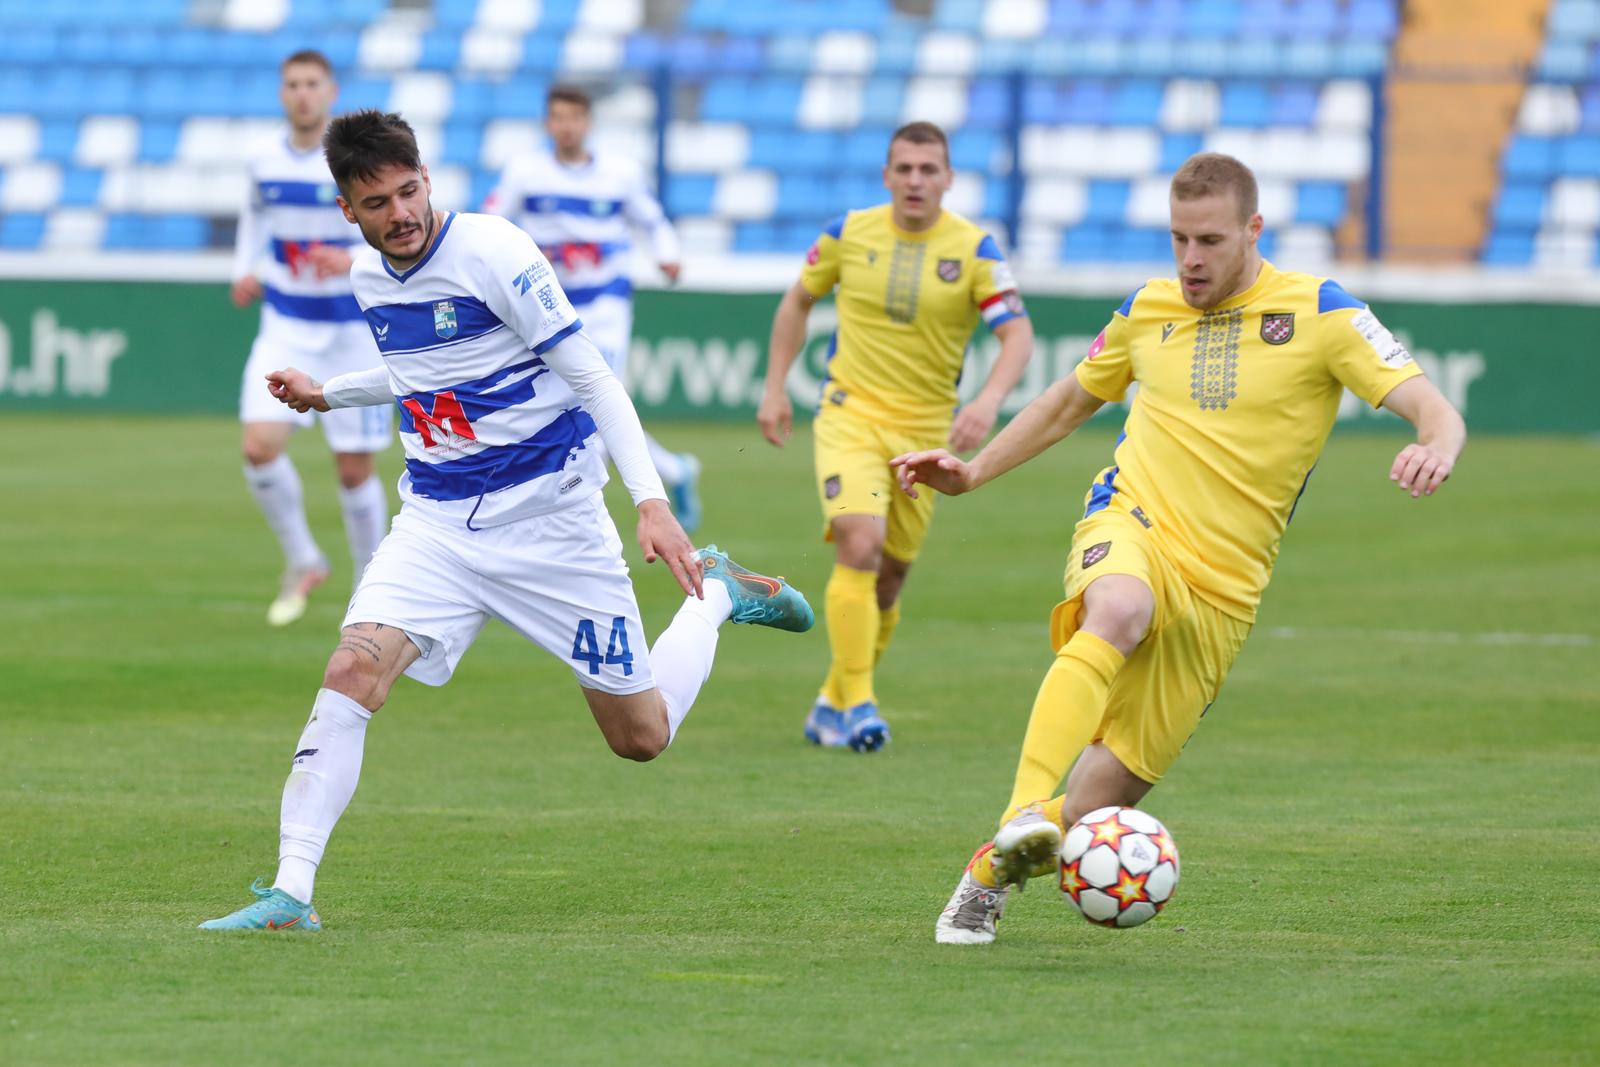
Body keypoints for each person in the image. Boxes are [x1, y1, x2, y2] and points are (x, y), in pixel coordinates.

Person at [199, 110, 814, 932]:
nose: (401, 212)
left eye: (410, 189)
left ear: (427, 178)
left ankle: (718, 597)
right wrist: (328, 392)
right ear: (348, 209)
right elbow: (422, 373)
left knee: (641, 737)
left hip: (555, 522)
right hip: (437, 523)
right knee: (351, 671)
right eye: (377, 201)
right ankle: (291, 892)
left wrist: (651, 501)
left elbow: (595, 380)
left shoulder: (496, 252)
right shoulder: (370, 278)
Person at [891, 153, 1468, 944]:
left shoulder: (1322, 312)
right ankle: (1021, 809)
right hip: (1133, 519)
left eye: (1209, 240)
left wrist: (1437, 442)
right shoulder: (1147, 308)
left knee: (1098, 803)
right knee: (1119, 605)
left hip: (1224, 591)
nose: (1190, 259)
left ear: (1252, 230)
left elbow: (1433, 406)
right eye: (1178, 239)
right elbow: (1067, 402)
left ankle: (988, 868)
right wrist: (974, 471)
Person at [757, 121, 1035, 753]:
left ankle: (833, 698)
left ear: (948, 179)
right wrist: (775, 386)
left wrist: (988, 402)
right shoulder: (848, 234)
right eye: (904, 168)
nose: (915, 180)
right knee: (861, 539)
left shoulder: (975, 250)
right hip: (849, 414)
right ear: (887, 176)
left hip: (926, 432)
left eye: (928, 169)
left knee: (887, 581)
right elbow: (797, 301)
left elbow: (1016, 336)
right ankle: (859, 705)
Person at [483, 85, 701, 531]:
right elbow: (489, 220)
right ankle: (676, 471)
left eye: (574, 117)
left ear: (588, 123)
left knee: (596, 402)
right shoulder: (525, 172)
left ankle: (579, 520)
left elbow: (653, 221)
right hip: (549, 309)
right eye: (558, 118)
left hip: (605, 305)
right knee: (586, 407)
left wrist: (668, 253)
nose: (566, 126)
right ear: (547, 123)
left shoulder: (620, 173)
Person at [231, 49, 392, 627]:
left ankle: (372, 587)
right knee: (259, 448)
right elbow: (253, 218)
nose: (302, 93)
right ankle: (303, 558)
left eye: (312, 84)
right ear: (282, 93)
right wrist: (245, 268)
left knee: (353, 470)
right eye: (292, 84)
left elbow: (391, 227)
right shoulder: (261, 161)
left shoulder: (351, 163)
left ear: (331, 92)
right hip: (287, 326)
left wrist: (349, 256)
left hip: (352, 333)